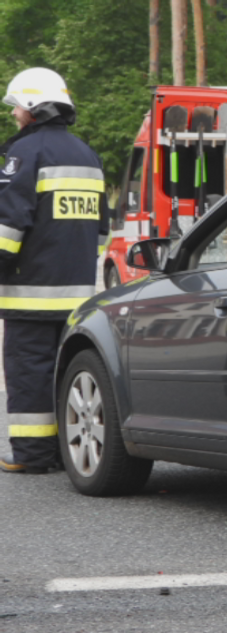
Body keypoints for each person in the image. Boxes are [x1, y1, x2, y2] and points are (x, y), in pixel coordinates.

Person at [0, 68, 108, 473]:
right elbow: (102, 232)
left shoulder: (25, 154)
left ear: (32, 107)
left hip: (30, 292)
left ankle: (31, 455)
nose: (14, 116)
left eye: (17, 108)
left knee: (30, 372)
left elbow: (8, 228)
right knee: (67, 376)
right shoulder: (87, 154)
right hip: (78, 294)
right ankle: (66, 451)